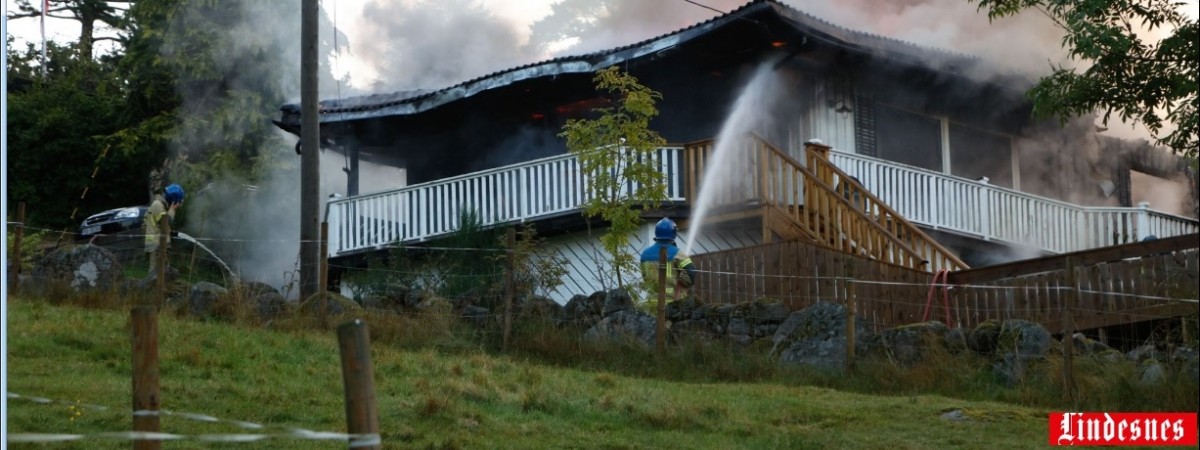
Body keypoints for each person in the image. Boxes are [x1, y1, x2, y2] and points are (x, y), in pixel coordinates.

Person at [639, 218, 698, 313]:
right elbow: (692, 272)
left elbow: (645, 277)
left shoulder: (645, 254)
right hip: (674, 304)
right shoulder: (677, 253)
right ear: (673, 233)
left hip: (651, 303)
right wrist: (683, 283)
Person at [144, 183, 184, 274]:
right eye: (178, 202)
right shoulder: (158, 205)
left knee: (162, 274)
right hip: (156, 245)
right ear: (174, 200)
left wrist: (169, 232)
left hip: (159, 244)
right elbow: (165, 222)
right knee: (155, 275)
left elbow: (158, 225)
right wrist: (172, 209)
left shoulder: (160, 205)